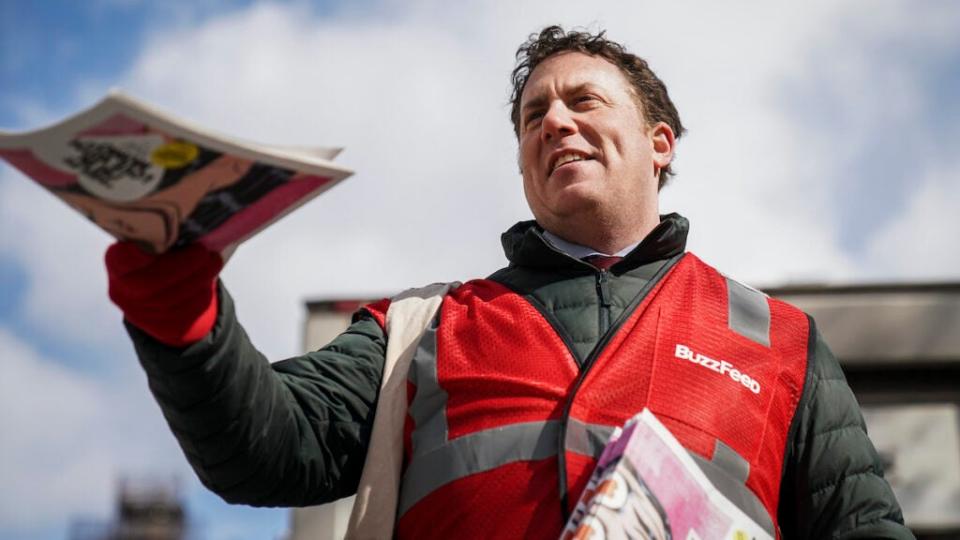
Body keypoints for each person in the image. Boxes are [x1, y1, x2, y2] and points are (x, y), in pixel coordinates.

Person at [106, 26, 914, 539]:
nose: (554, 122)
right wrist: (183, 311)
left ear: (658, 142)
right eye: (533, 116)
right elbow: (264, 451)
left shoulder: (782, 342)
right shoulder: (421, 331)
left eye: (582, 101)